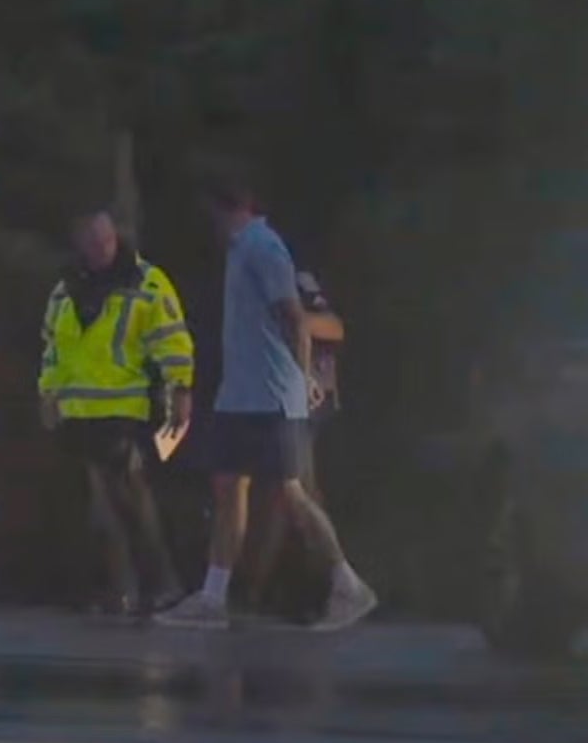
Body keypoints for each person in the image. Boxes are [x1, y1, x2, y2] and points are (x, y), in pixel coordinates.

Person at [157, 174, 376, 631]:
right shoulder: (241, 252)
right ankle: (212, 598)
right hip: (241, 394)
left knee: (289, 494)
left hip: (272, 396)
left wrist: (302, 378)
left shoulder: (263, 247)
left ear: (226, 209)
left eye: (212, 214)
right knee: (228, 488)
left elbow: (294, 318)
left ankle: (348, 586)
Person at [39, 206, 194, 616]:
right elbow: (55, 347)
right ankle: (123, 588)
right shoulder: (67, 287)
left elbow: (172, 340)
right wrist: (49, 393)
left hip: (126, 407)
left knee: (129, 493)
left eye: (106, 239)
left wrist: (180, 389)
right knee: (100, 502)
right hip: (80, 410)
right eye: (92, 242)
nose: (102, 248)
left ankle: (161, 583)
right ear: (80, 245)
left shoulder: (144, 282)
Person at [241, 268, 346, 617]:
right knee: (286, 492)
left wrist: (297, 322)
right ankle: (280, 588)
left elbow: (332, 326)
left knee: (295, 492)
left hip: (307, 399)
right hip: (275, 398)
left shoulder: (292, 280)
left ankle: (326, 586)